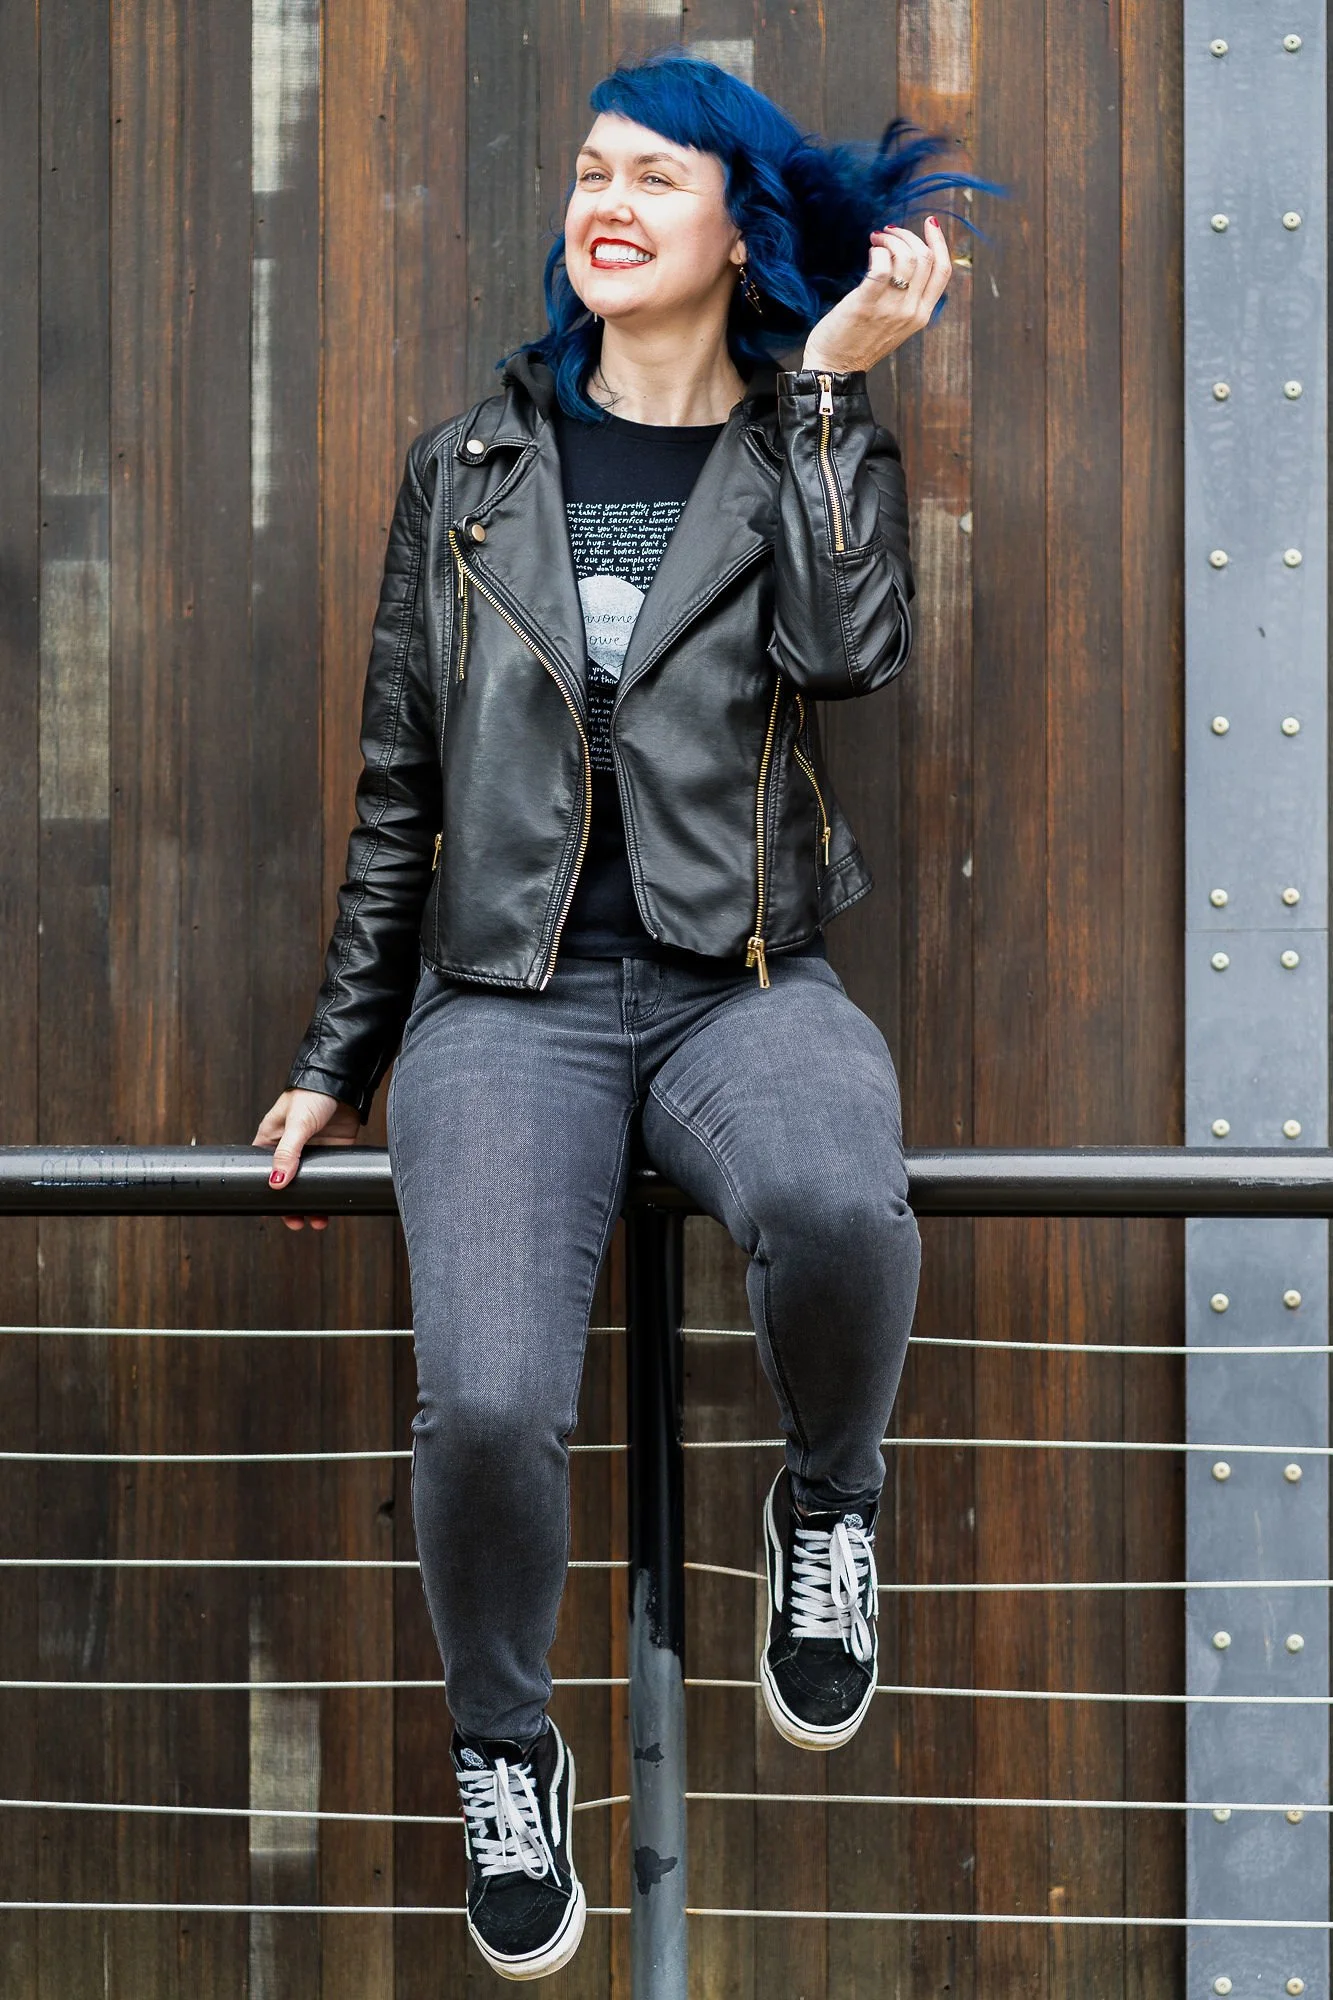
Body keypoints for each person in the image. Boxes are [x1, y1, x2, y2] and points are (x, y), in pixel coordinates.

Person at [252, 48, 985, 1982]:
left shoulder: (806, 443)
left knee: (839, 1207)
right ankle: (509, 1752)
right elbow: (401, 782)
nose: (612, 198)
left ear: (738, 224)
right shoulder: (467, 470)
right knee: (487, 1401)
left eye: (660, 174)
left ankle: (827, 1511)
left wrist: (827, 387)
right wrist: (345, 1054)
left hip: (743, 975)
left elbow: (854, 653)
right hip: (506, 998)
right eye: (592, 168)